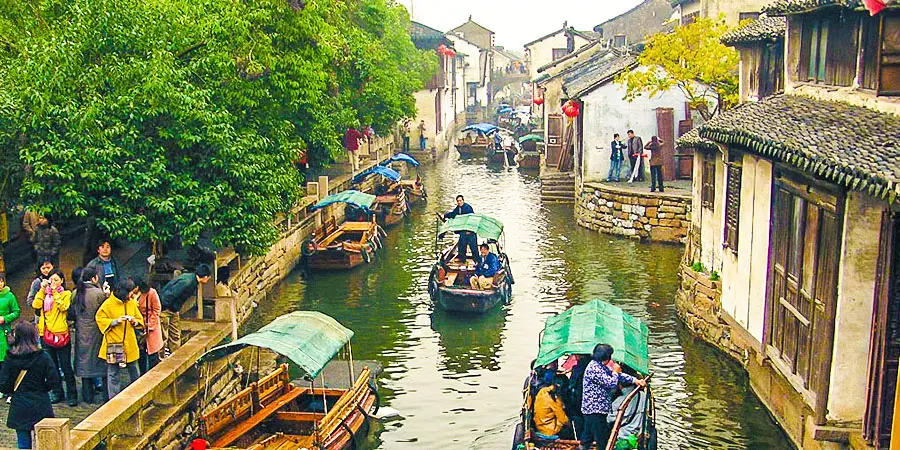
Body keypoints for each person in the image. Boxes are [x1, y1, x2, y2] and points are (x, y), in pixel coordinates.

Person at [0, 321, 60, 449]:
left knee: (23, 443)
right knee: (45, 443)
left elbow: (3, 384)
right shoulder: (43, 356)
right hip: (40, 402)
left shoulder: (10, 358)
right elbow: (54, 380)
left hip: (20, 404)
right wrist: (43, 388)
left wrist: (13, 391)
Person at [581, 344, 645, 450]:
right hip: (595, 410)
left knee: (588, 435)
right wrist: (615, 372)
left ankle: (583, 446)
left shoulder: (600, 366)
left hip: (597, 409)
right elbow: (611, 383)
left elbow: (618, 375)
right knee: (602, 439)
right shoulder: (594, 368)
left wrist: (635, 380)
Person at [32, 269, 77, 406]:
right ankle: (57, 392)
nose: (53, 283)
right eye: (51, 280)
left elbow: (64, 307)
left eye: (56, 280)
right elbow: (36, 305)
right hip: (46, 333)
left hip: (61, 333)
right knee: (52, 367)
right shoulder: (45, 294)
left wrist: (56, 292)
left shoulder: (66, 294)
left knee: (66, 366)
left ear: (62, 281)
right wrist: (42, 290)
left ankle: (72, 394)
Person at [96, 279, 144, 399]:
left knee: (134, 370)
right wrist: (114, 322)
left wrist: (135, 321)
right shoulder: (108, 304)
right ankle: (114, 399)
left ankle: (138, 395)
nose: (132, 295)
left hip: (129, 341)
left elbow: (140, 320)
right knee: (113, 373)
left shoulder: (132, 303)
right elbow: (100, 318)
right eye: (130, 292)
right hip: (114, 342)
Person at [71, 267, 107, 404]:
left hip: (81, 331)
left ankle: (88, 396)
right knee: (101, 362)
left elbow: (71, 313)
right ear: (94, 278)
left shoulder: (76, 293)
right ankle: (105, 394)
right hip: (97, 331)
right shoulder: (99, 293)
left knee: (84, 363)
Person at [159, 264, 212, 354]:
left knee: (175, 334)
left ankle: (175, 354)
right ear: (205, 277)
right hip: (166, 309)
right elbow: (170, 294)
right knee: (163, 335)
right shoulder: (187, 282)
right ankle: (161, 358)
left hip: (174, 310)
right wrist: (164, 307)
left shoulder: (192, 281)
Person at [442, 195, 480, 264]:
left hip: (470, 231)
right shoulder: (458, 208)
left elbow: (472, 219)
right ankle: (462, 260)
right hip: (463, 231)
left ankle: (477, 261)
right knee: (461, 246)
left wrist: (469, 230)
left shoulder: (467, 208)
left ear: (463, 201)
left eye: (460, 201)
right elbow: (453, 214)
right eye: (458, 201)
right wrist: (445, 215)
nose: (459, 202)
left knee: (473, 247)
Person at [137, 278, 163, 373]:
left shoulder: (151, 293)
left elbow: (157, 309)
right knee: (141, 354)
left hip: (150, 324)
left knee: (153, 354)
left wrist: (150, 324)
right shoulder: (131, 294)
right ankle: (142, 374)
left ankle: (154, 375)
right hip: (138, 325)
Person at [0, 274, 21, 376]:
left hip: (4, 332)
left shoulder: (10, 296)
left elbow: (16, 312)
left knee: (5, 360)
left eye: (1, 281)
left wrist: (5, 318)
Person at [26, 259, 54, 324]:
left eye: (48, 267)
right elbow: (29, 301)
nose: (46, 270)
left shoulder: (57, 279)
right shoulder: (37, 282)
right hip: (41, 316)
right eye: (43, 268)